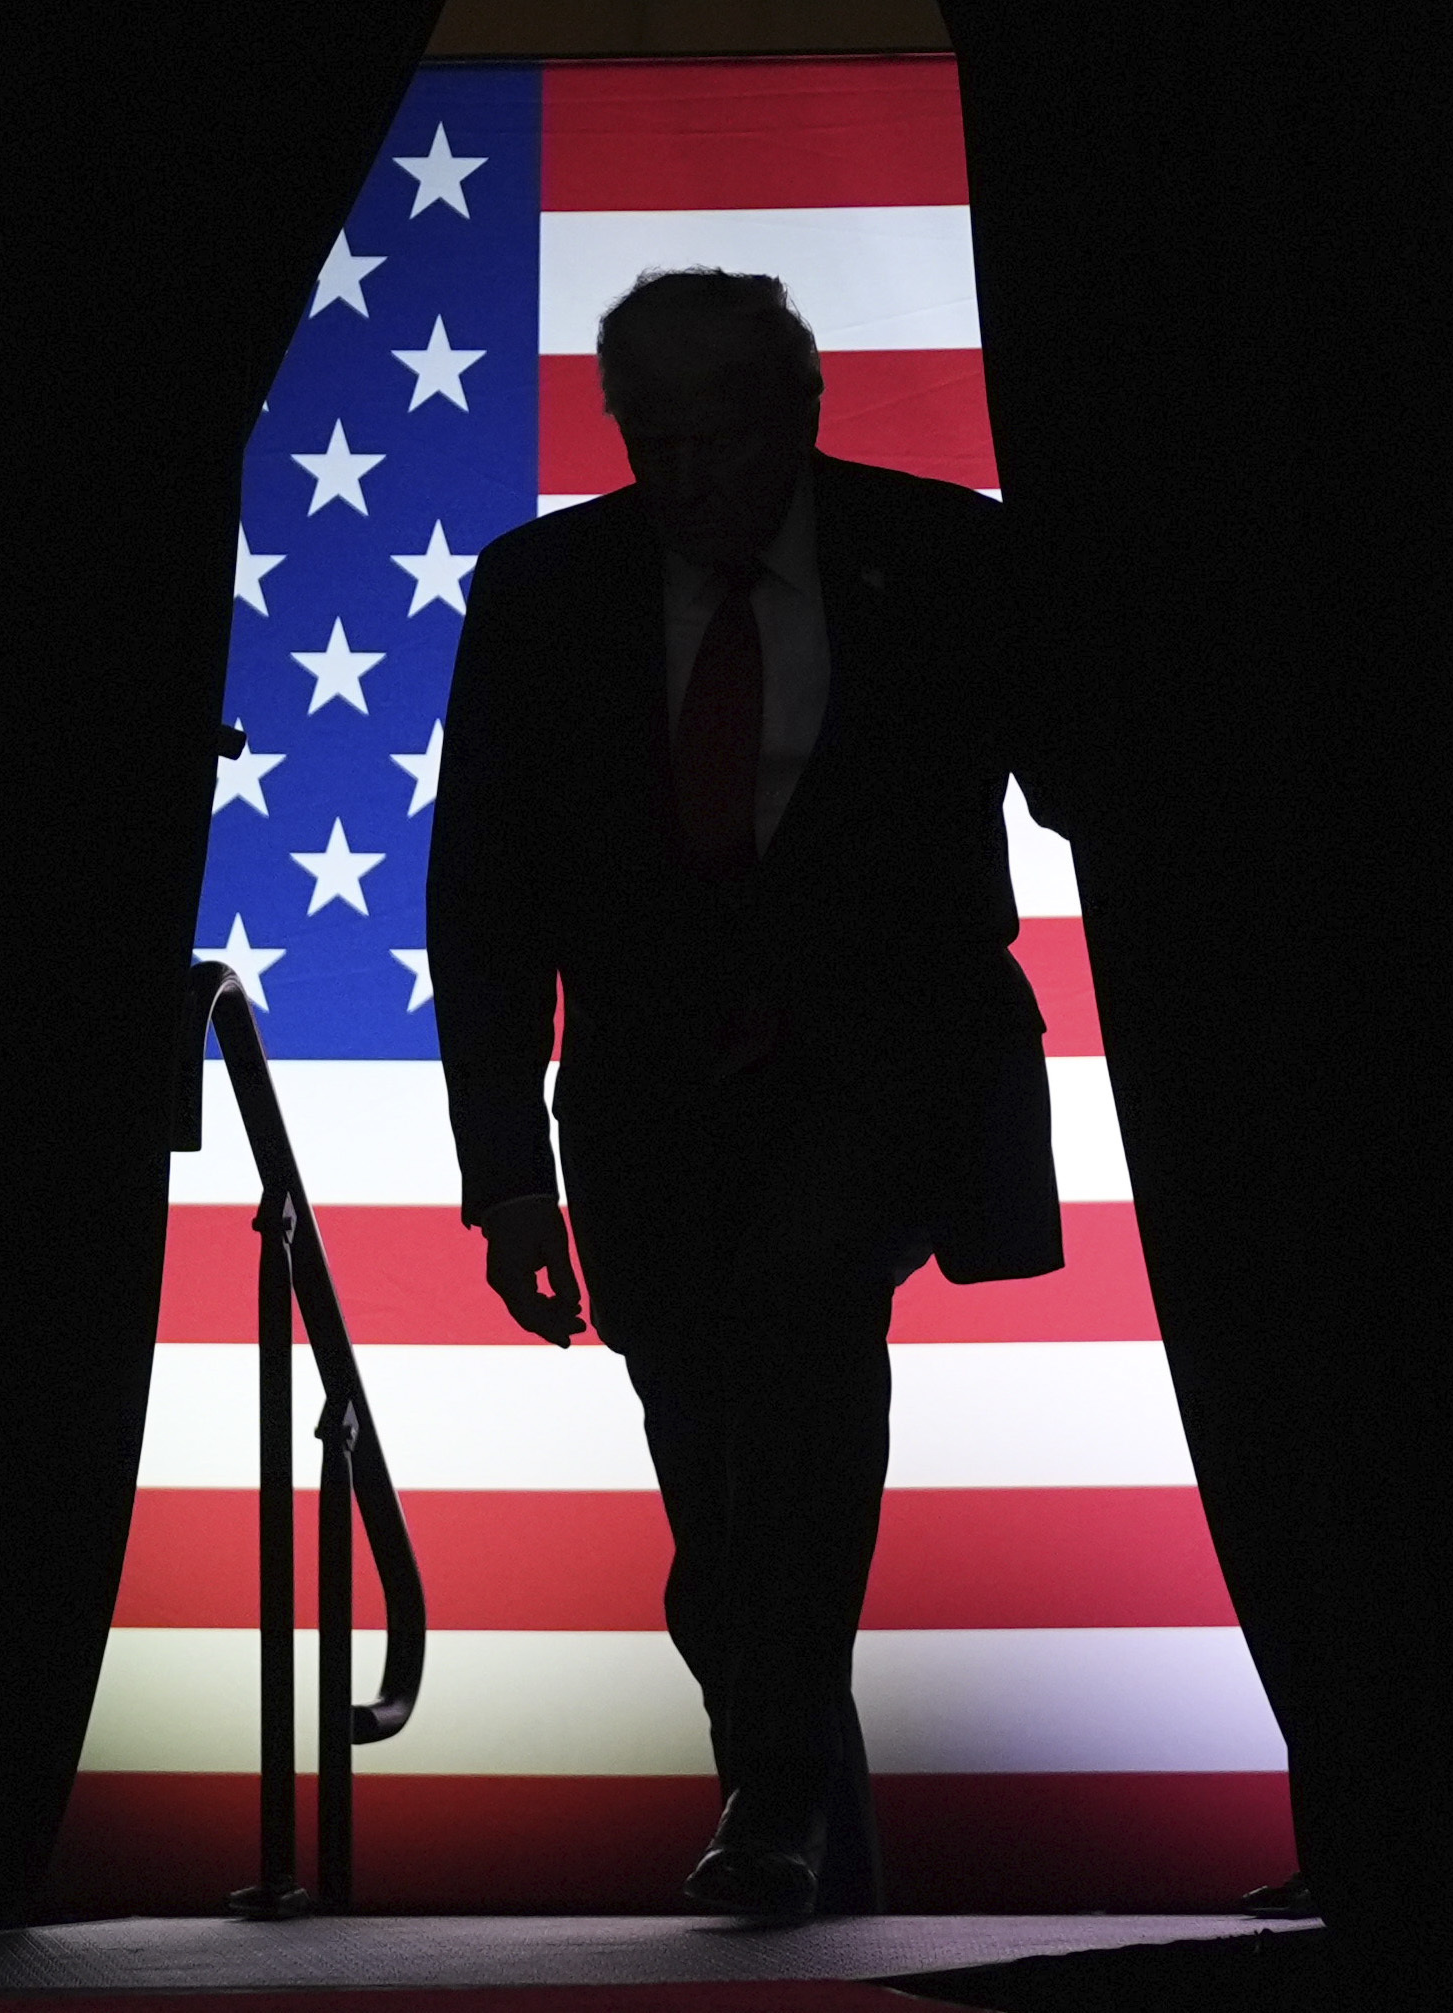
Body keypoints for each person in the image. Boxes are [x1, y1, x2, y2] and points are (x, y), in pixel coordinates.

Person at [426, 267, 1075, 1918]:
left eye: (722, 433)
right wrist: (505, 1175)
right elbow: (484, 893)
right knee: (708, 1438)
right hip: (646, 1105)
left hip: (880, 1075)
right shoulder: (546, 588)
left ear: (804, 410)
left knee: (798, 1318)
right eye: (654, 438)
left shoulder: (948, 561)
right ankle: (794, 1795)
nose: (690, 472)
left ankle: (773, 1785)